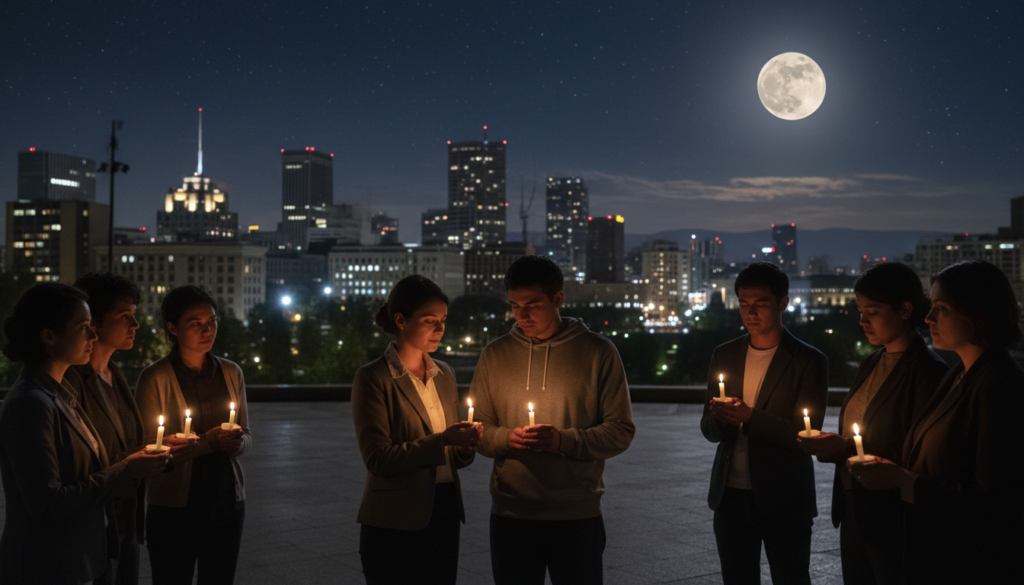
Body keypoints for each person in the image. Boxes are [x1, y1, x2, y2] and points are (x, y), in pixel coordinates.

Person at [849, 260, 1024, 584]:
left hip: (967, 562)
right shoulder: (960, 373)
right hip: (936, 548)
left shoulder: (999, 386)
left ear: (977, 314)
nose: (928, 318)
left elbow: (993, 501)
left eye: (941, 308)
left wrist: (903, 480)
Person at [473, 255, 635, 585]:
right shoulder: (495, 354)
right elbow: (479, 428)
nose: (522, 315)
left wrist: (564, 441)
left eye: (532, 304)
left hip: (577, 515)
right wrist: (506, 438)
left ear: (558, 298)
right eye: (515, 305)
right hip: (511, 514)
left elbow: (620, 430)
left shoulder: (598, 352)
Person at [0, 283, 168, 584]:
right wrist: (126, 470)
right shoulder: (30, 404)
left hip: (80, 557)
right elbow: (47, 502)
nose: (92, 336)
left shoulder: (58, 393)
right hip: (50, 565)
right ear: (49, 335)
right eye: (83, 327)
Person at [799, 262, 947, 585]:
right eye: (860, 310)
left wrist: (843, 449)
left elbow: (919, 450)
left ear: (906, 310)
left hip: (893, 515)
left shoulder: (927, 372)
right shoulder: (872, 361)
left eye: (873, 311)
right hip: (855, 507)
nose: (862, 319)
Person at [700, 261, 828, 585]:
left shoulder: (807, 360)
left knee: (791, 577)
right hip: (730, 497)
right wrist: (722, 420)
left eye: (760, 303)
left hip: (785, 498)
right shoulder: (724, 354)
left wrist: (749, 417)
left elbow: (804, 435)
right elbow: (708, 428)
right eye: (744, 303)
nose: (750, 312)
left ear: (783, 302)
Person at [352, 275, 481, 585]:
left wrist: (463, 447)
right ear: (400, 320)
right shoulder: (373, 378)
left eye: (443, 320)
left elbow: (452, 457)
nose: (440, 329)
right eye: (429, 320)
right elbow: (379, 459)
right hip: (394, 520)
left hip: (445, 509)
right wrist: (443, 440)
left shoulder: (443, 374)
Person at [135, 285, 251, 585]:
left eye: (212, 321)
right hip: (174, 507)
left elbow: (246, 434)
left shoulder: (231, 372)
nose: (207, 330)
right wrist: (207, 443)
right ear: (172, 328)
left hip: (226, 501)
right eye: (195, 323)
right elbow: (148, 449)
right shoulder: (154, 378)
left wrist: (238, 442)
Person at [65, 273, 148, 585]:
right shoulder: (72, 381)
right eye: (124, 316)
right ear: (94, 323)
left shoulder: (116, 374)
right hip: (96, 521)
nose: (135, 325)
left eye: (134, 316)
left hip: (126, 520)